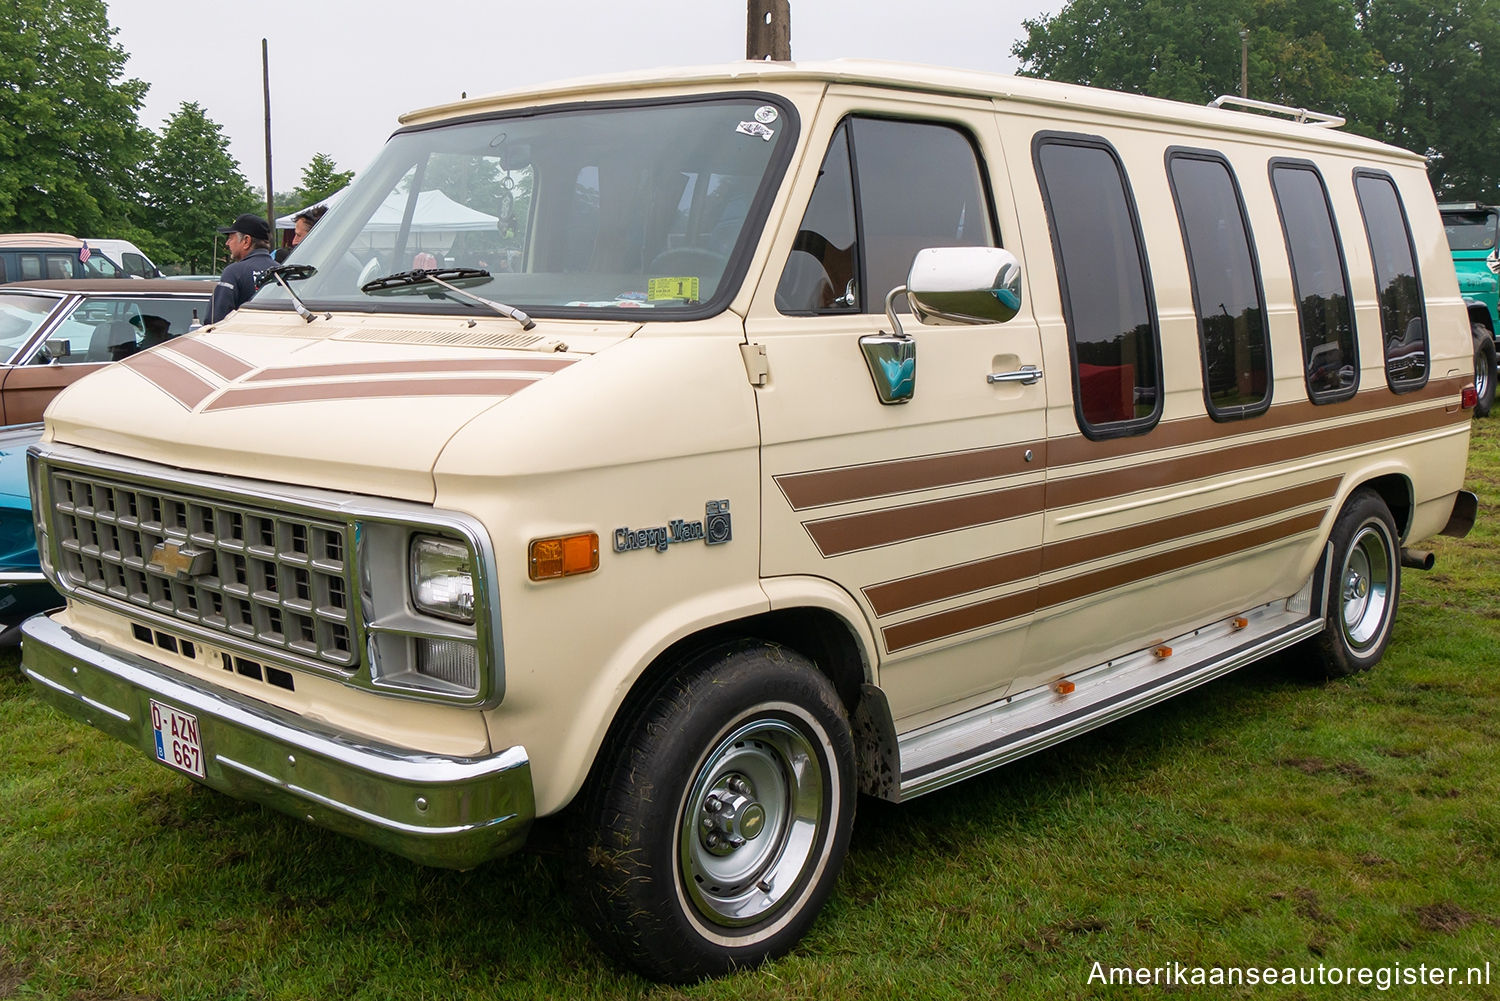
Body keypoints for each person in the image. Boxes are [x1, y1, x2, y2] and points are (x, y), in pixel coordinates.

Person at [208, 214, 275, 323]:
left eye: (230, 238)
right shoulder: (282, 271)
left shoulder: (234, 272)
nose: (227, 243)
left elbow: (215, 320)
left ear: (246, 241)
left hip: (240, 337)